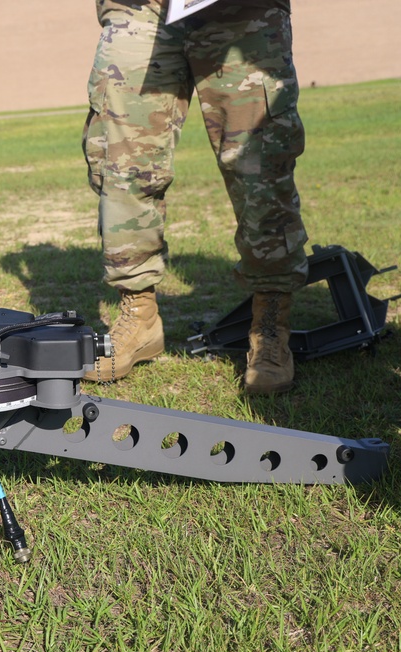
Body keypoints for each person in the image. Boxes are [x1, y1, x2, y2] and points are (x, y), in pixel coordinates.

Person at [81, 0, 309, 393]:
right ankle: (139, 314)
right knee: (122, 162)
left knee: (260, 164)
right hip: (139, 10)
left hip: (242, 11)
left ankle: (270, 323)